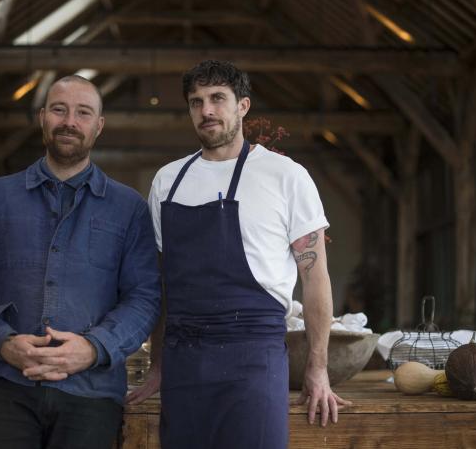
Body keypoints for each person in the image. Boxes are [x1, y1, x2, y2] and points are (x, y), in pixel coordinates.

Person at [126, 60, 351, 448]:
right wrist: (159, 364)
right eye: (196, 102)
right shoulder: (168, 181)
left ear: (243, 106)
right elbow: (162, 285)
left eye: (217, 99)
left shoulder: (285, 175)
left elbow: (315, 278)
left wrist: (318, 367)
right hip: (184, 360)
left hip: (253, 357)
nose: (206, 110)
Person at [0, 75, 161, 449]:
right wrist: (3, 342)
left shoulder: (129, 209)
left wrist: (93, 348)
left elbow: (144, 297)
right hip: (3, 386)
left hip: (91, 394)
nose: (70, 122)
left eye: (83, 113)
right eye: (59, 110)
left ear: (99, 126)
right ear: (42, 117)